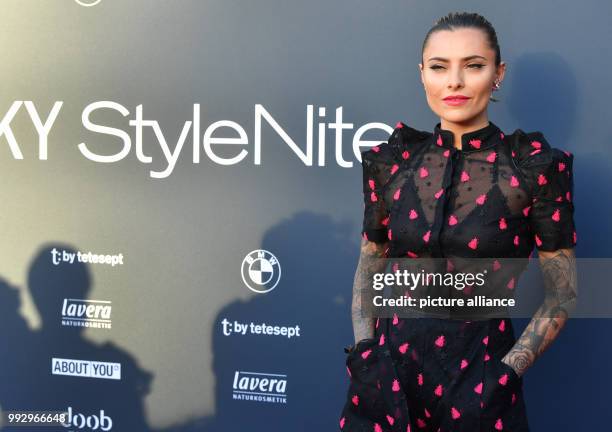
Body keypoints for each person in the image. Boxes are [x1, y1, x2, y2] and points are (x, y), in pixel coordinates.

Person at [339, 12, 577, 432]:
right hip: (386, 381)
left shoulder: (533, 169)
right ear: (422, 75)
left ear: (497, 73)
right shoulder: (392, 163)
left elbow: (563, 292)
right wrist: (364, 350)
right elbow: (370, 265)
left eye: (473, 65)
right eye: (439, 67)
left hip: (480, 387)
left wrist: (507, 373)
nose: (454, 82)